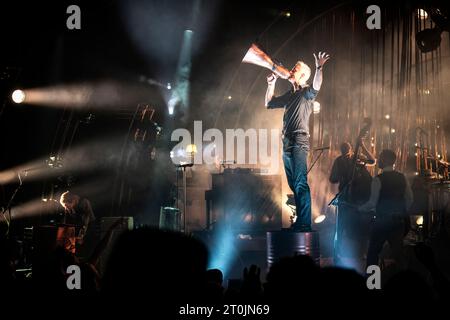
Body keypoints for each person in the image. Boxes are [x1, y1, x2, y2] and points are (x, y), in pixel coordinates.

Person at [265, 52, 330, 231]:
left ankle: (304, 223)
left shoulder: (306, 92)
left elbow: (318, 85)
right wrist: (271, 84)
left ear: (303, 75)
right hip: (287, 142)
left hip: (299, 140)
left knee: (300, 182)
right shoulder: (290, 94)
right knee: (294, 183)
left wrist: (319, 67)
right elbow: (268, 103)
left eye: (296, 68)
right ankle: (301, 221)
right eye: (293, 67)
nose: (292, 70)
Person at [359, 149, 413, 268]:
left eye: (380, 158)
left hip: (382, 222)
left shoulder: (378, 179)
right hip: (398, 221)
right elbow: (409, 199)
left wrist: (360, 208)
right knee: (398, 255)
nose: (378, 160)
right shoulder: (402, 177)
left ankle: (373, 284)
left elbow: (372, 203)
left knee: (373, 254)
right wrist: (402, 212)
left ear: (385, 160)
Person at [329, 140, 375, 262]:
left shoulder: (358, 158)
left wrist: (363, 146)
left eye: (347, 149)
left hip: (360, 198)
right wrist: (343, 177)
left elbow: (373, 161)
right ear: (341, 150)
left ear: (351, 149)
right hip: (346, 198)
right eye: (343, 150)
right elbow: (332, 179)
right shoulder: (339, 161)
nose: (346, 152)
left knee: (361, 227)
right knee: (341, 226)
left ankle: (363, 253)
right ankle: (338, 253)